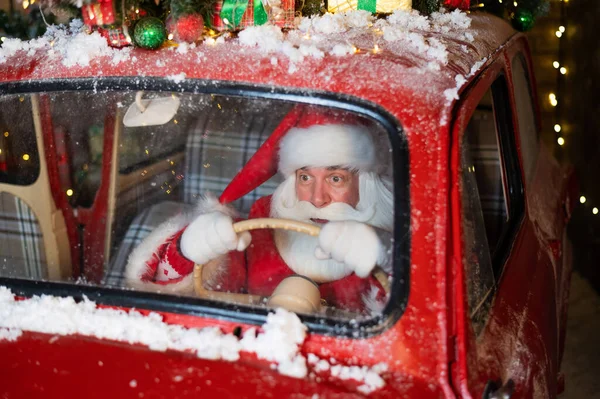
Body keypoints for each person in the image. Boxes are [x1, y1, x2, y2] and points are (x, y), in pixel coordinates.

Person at [125, 107, 394, 313]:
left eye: (336, 179)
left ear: (365, 184)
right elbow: (174, 302)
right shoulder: (262, 225)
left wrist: (386, 256)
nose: (316, 199)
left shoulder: (397, 238)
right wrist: (188, 249)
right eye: (305, 178)